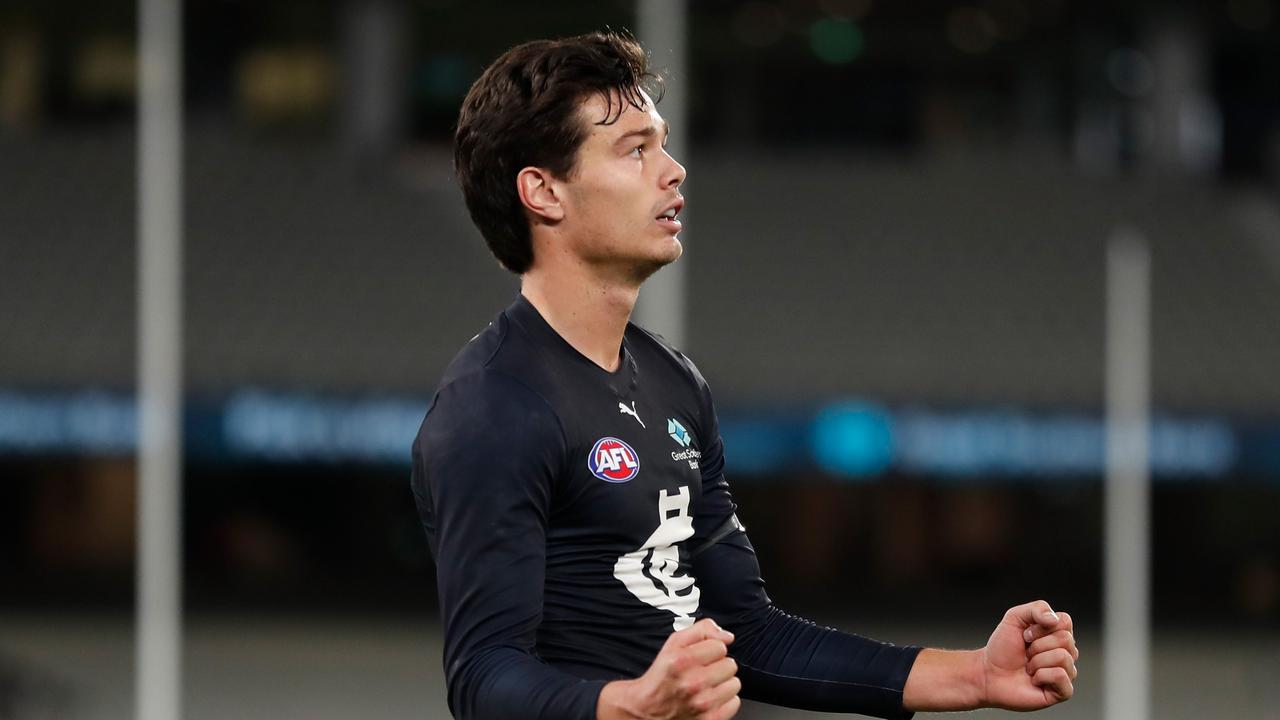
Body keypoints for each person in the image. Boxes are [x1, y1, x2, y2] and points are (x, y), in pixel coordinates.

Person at [410, 31, 1079, 720]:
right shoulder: (493, 408)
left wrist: (973, 676)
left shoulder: (673, 383)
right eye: (634, 150)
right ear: (543, 191)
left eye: (662, 143)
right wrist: (632, 704)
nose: (672, 170)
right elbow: (483, 680)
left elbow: (750, 635)